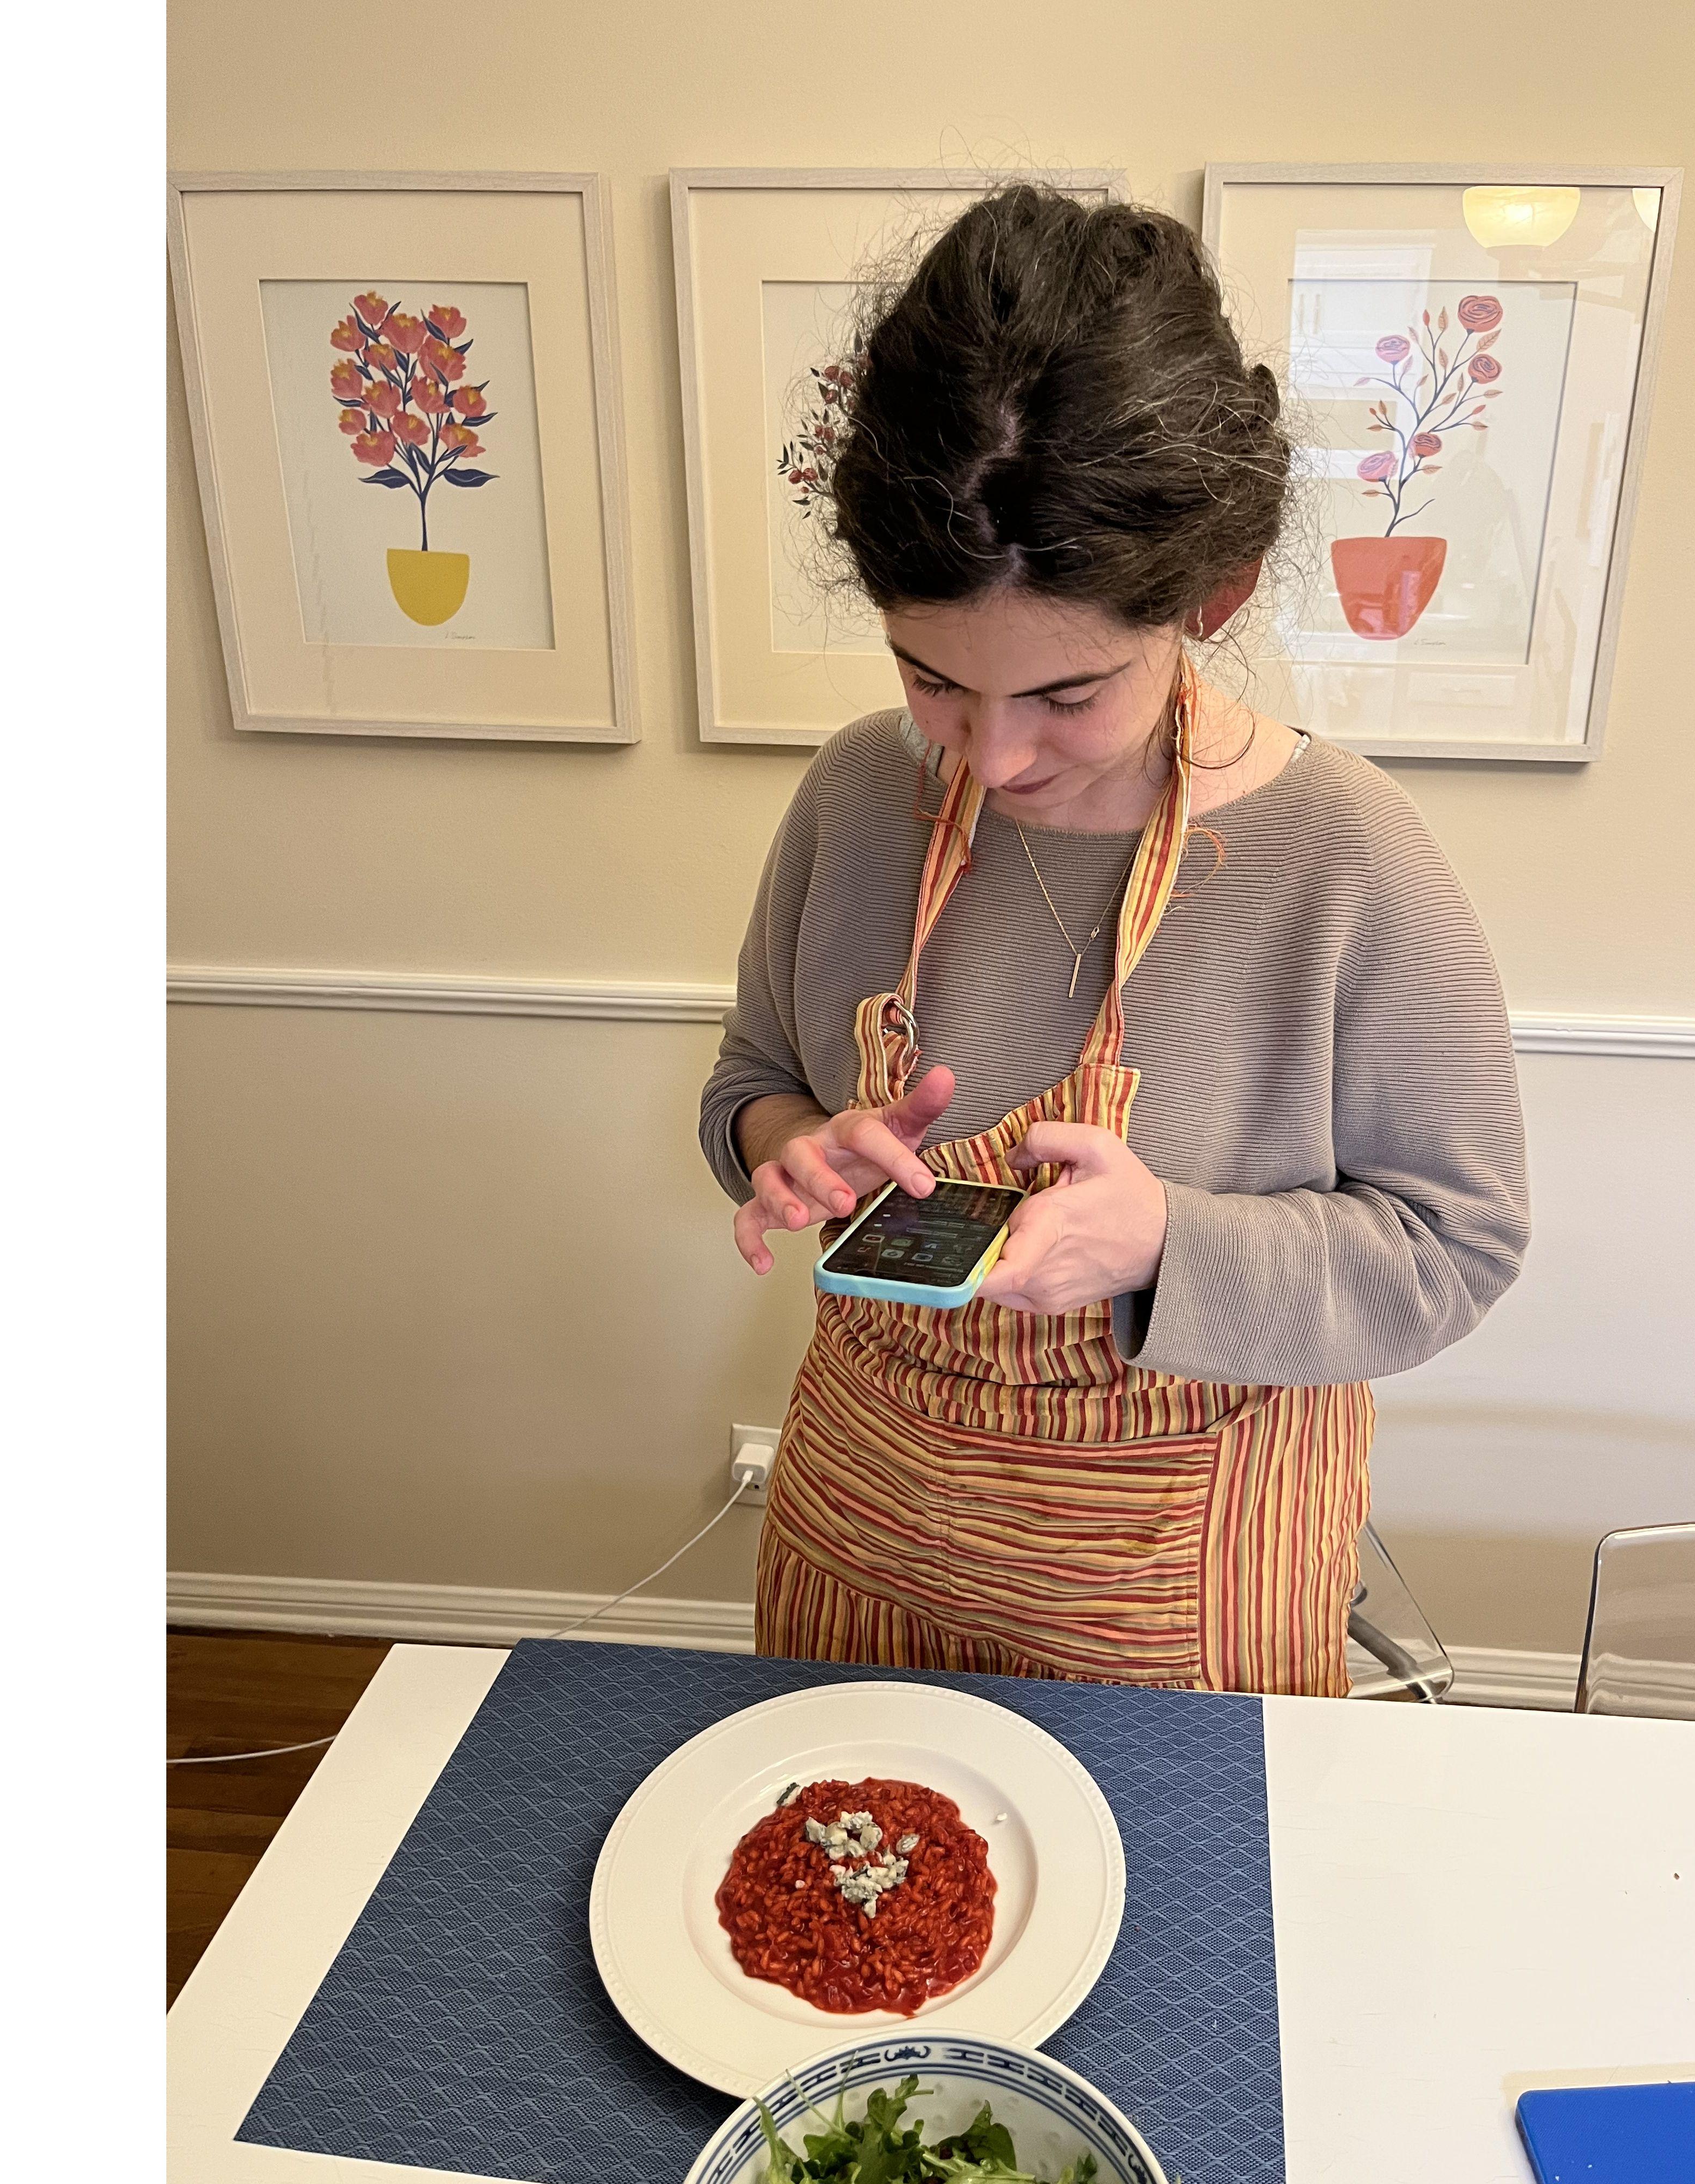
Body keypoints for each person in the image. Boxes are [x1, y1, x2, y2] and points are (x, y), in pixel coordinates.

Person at [699, 185, 1529, 1696]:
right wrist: (794, 1141)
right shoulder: (850, 798)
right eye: (932, 677)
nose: (992, 756)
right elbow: (748, 1080)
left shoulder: (1350, 857)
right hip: (863, 1537)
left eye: (1067, 696)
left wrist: (1169, 1244)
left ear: (1204, 599)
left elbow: (1454, 1250)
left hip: (1181, 1586)